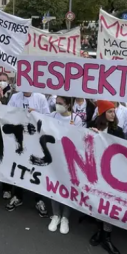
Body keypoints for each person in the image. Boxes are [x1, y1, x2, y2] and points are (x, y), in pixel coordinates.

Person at [88, 100, 122, 254]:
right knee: (97, 200)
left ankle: (107, 236)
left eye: (113, 112)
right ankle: (99, 230)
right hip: (95, 171)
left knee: (109, 203)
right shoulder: (92, 126)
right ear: (102, 113)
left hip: (112, 173)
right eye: (109, 112)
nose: (112, 114)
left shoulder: (118, 131)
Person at [46, 96, 83, 234]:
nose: (57, 105)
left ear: (68, 105)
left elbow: (79, 139)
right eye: (56, 103)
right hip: (55, 156)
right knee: (54, 185)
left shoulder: (76, 119)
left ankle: (65, 217)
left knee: (68, 187)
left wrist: (73, 130)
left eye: (60, 103)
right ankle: (56, 215)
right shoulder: (52, 115)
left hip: (70, 159)